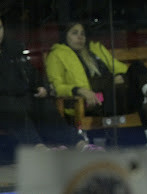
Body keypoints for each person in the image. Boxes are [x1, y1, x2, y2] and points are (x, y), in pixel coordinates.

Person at [45, 22, 147, 150]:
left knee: (137, 66)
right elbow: (57, 87)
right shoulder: (57, 55)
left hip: (114, 94)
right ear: (65, 36)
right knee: (139, 95)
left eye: (82, 33)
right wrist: (80, 90)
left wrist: (121, 76)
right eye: (74, 33)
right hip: (94, 100)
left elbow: (120, 68)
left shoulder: (95, 50)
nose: (80, 37)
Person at [0, 15, 102, 153]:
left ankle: (79, 144)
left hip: (21, 96)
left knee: (44, 104)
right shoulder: (57, 54)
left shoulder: (13, 49)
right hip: (5, 102)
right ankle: (40, 149)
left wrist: (42, 87)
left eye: (0, 28)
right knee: (12, 106)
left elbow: (31, 74)